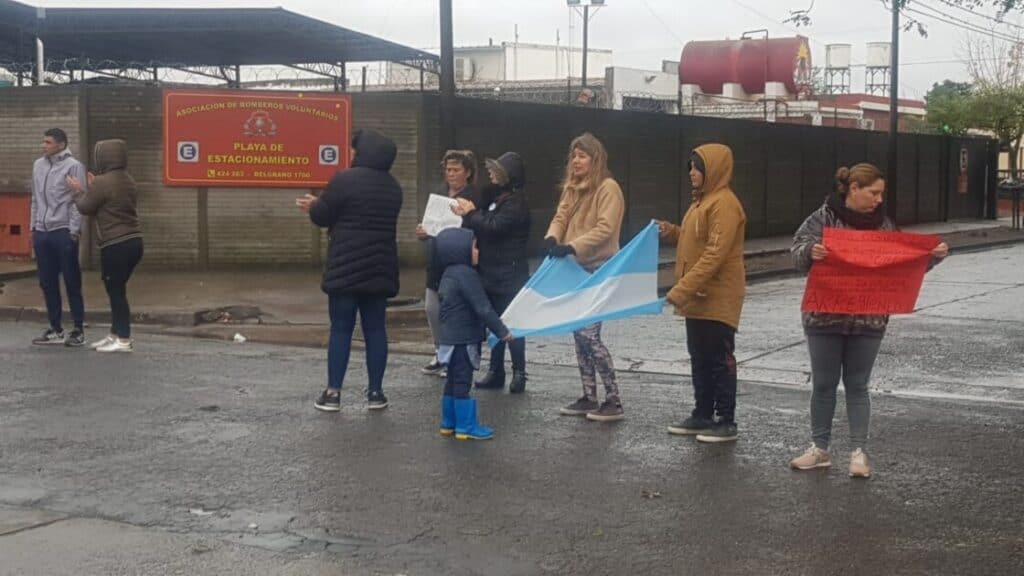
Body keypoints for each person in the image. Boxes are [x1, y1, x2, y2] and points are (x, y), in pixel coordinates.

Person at [788, 163, 949, 478]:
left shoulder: (885, 225)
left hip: (869, 320)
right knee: (824, 383)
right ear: (854, 189)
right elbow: (796, 251)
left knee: (858, 384)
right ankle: (819, 449)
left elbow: (902, 264)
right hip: (824, 317)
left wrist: (931, 256)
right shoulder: (822, 218)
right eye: (873, 193)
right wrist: (809, 252)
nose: (879, 200)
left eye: (881, 194)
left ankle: (858, 452)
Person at [297, 129, 403, 413]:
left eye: (355, 150)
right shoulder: (393, 187)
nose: (352, 154)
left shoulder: (344, 179)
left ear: (363, 152)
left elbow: (324, 215)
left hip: (345, 268)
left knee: (341, 329)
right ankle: (376, 393)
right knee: (376, 330)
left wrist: (314, 206)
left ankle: (333, 393)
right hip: (380, 268)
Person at [659, 144, 747, 444]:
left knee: (718, 358)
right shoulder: (702, 202)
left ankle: (726, 419)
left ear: (714, 170)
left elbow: (714, 254)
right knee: (699, 357)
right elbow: (694, 237)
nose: (692, 173)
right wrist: (672, 231)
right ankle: (703, 413)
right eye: (691, 167)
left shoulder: (724, 204)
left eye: (698, 167)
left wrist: (680, 289)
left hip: (717, 296)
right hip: (697, 297)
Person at [545, 133, 626, 422]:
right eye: (573, 156)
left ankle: (613, 399)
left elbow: (606, 228)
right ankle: (589, 396)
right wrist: (553, 237)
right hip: (575, 269)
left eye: (582, 156)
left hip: (599, 269)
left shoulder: (608, 188)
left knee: (589, 335)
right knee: (578, 334)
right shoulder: (573, 188)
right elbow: (561, 217)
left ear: (595, 159)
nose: (576, 161)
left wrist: (573, 246)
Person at [453, 152, 531, 393]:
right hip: (492, 270)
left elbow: (494, 226)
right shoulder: (498, 199)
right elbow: (484, 223)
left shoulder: (515, 203)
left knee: (513, 324)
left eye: (496, 171)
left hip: (510, 272)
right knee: (494, 323)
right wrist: (471, 215)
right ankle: (496, 371)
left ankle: (519, 372)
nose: (491, 175)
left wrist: (472, 213)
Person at [434, 227, 514, 440]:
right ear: (460, 251)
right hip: (464, 339)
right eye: (474, 247)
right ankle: (466, 426)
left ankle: (448, 422)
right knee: (463, 381)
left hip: (448, 339)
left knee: (452, 381)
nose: (478, 251)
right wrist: (502, 331)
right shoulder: (467, 275)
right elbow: (483, 307)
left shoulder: (448, 273)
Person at [66, 139, 143, 353]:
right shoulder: (128, 179)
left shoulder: (103, 181)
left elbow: (85, 207)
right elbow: (108, 203)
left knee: (116, 292)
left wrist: (77, 191)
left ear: (103, 157)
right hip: (134, 241)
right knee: (116, 289)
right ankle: (114, 334)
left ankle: (124, 339)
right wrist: (93, 188)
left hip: (115, 243)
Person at [417, 150, 478, 378]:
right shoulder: (439, 194)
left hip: (459, 261)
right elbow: (429, 223)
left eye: (456, 170)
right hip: (436, 259)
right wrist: (422, 232)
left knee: (453, 310)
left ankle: (454, 357)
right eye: (448, 169)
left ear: (467, 172)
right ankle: (439, 352)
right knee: (432, 308)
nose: (450, 174)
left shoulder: (474, 197)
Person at [30, 128, 88, 347]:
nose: (43, 146)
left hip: (63, 231)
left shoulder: (73, 166)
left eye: (48, 142)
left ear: (61, 145)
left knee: (72, 281)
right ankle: (56, 328)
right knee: (47, 282)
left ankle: (78, 329)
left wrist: (73, 230)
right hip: (42, 231)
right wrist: (33, 227)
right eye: (43, 141)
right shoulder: (38, 165)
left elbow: (77, 201)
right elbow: (35, 199)